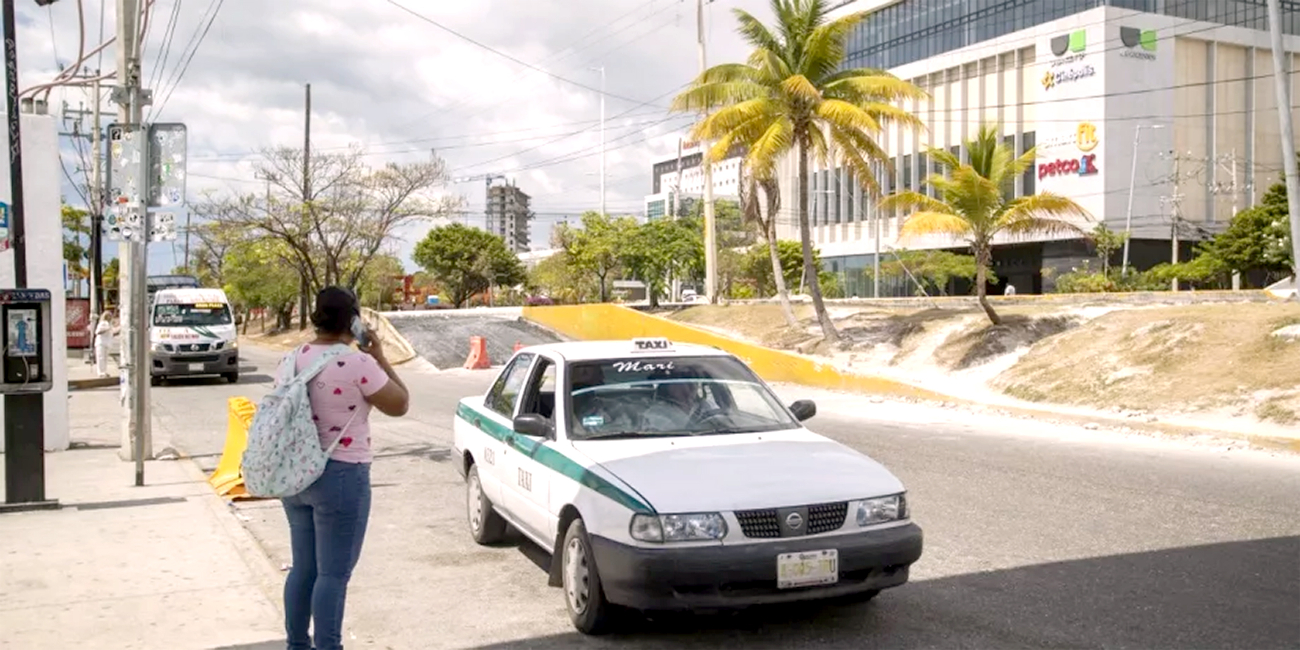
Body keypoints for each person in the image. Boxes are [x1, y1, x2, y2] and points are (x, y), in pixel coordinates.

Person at [279, 287, 410, 650]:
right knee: (333, 575)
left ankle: (296, 645)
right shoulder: (358, 363)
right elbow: (400, 403)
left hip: (295, 475)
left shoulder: (290, 359)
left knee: (303, 568)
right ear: (352, 320)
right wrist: (379, 354)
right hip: (341, 476)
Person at [93, 310, 118, 378]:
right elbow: (98, 332)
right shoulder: (103, 323)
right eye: (108, 316)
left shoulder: (109, 324)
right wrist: (107, 329)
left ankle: (104, 371)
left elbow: (113, 333)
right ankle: (100, 372)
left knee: (105, 358)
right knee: (100, 358)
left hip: (107, 343)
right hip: (101, 343)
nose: (110, 317)